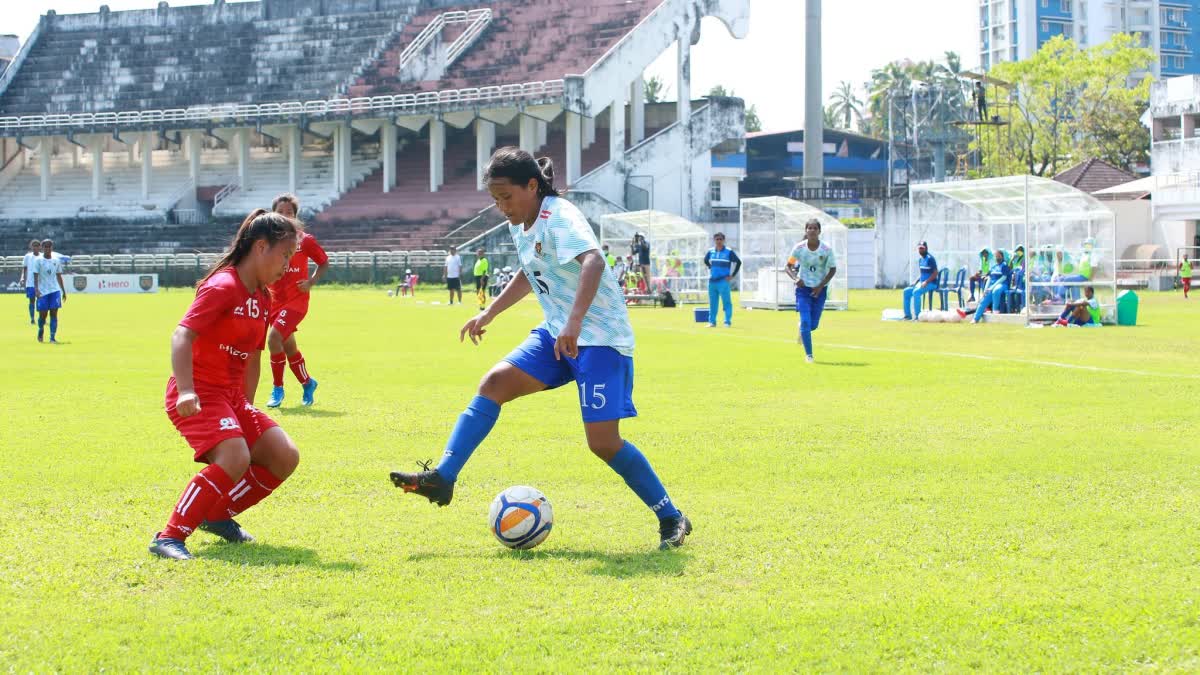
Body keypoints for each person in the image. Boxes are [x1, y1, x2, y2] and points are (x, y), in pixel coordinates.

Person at [389, 148, 691, 550]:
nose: (502, 207)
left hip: (599, 339)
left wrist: (574, 321)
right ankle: (444, 477)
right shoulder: (522, 222)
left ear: (532, 186)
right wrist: (489, 313)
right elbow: (531, 273)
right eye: (495, 200)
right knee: (493, 383)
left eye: (506, 197)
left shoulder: (559, 215)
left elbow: (594, 262)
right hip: (557, 334)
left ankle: (672, 517)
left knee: (602, 443)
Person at [149, 210, 303, 560]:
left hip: (231, 398)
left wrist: (244, 409)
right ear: (261, 247)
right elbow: (182, 335)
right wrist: (187, 389)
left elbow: (252, 357)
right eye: (285, 255)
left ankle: (217, 515)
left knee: (284, 455)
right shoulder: (223, 286)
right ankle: (169, 536)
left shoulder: (262, 297)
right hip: (199, 392)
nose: (287, 265)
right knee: (235, 456)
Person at [264, 194, 328, 409]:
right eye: (280, 212)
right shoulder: (267, 241)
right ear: (272, 214)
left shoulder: (304, 240)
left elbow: (324, 262)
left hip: (296, 302)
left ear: (295, 216)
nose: (284, 216)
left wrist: (311, 282)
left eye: (289, 213)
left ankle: (277, 388)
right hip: (274, 301)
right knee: (288, 347)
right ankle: (308, 383)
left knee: (273, 339)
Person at [785, 219, 837, 363]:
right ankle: (809, 355)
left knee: (813, 325)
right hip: (803, 290)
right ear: (806, 231)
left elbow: (833, 269)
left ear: (819, 231)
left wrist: (820, 286)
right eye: (809, 228)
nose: (812, 231)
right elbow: (788, 266)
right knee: (806, 322)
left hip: (820, 290)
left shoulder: (826, 250)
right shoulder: (799, 248)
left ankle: (802, 328)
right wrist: (796, 279)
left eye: (815, 228)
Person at [960, 249, 1010, 323]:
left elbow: (1004, 277)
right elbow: (989, 278)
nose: (997, 258)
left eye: (999, 256)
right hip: (991, 286)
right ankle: (975, 319)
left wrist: (992, 287)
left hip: (1002, 284)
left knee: (996, 290)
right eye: (996, 256)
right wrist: (986, 289)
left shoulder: (1004, 266)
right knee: (983, 301)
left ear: (1002, 257)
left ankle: (995, 310)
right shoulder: (994, 267)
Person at [702, 233, 741, 328]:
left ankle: (727, 322)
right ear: (714, 240)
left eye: (720, 239)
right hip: (712, 281)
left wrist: (732, 275)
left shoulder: (728, 252)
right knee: (713, 303)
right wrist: (709, 266)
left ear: (723, 240)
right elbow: (705, 260)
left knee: (726, 302)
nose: (718, 241)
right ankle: (712, 322)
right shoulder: (711, 251)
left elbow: (738, 262)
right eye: (717, 239)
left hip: (723, 281)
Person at [32, 239, 66, 343]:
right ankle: (41, 329)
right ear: (42, 248)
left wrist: (63, 291)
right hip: (43, 292)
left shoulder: (56, 260)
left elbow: (59, 276)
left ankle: (52, 337)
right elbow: (35, 276)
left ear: (52, 248)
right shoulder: (38, 261)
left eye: (49, 246)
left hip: (55, 291)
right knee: (43, 314)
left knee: (54, 314)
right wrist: (36, 290)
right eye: (45, 247)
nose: (47, 248)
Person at [902, 241, 938, 321]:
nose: (920, 250)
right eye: (919, 248)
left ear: (926, 248)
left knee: (916, 292)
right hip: (922, 283)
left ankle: (918, 317)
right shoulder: (920, 260)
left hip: (931, 283)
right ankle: (908, 316)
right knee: (906, 291)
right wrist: (916, 281)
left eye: (922, 248)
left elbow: (935, 273)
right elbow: (923, 274)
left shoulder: (930, 259)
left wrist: (926, 282)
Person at [20, 239, 42, 325]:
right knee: (31, 301)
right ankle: (32, 318)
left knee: (40, 301)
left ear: (39, 247)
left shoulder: (42, 256)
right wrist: (22, 278)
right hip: (30, 283)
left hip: (40, 283)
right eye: (34, 246)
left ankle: (41, 317)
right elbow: (24, 268)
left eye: (37, 245)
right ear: (31, 246)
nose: (35, 247)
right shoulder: (27, 256)